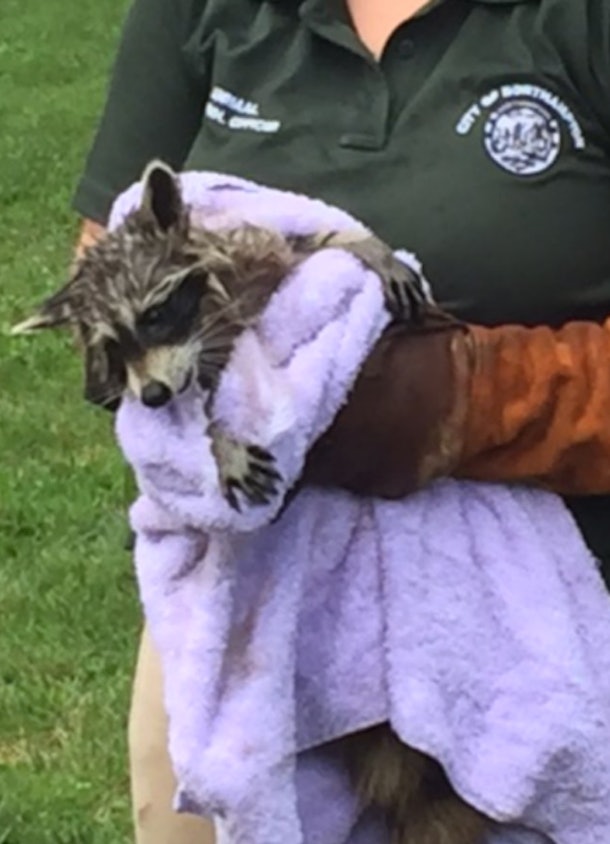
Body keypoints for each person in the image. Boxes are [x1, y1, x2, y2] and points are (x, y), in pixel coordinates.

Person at [71, 0, 610, 841]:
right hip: (247, 622)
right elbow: (109, 280)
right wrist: (246, 398)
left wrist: (465, 402)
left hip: (547, 617)